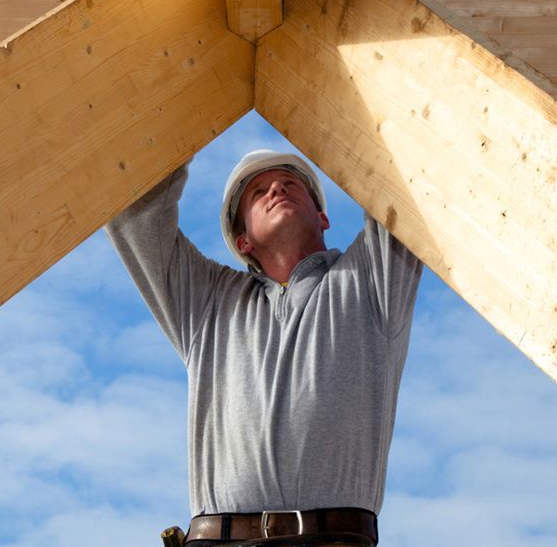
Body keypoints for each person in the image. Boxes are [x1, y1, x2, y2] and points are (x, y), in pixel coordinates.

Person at [105, 150, 423, 546]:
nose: (276, 188)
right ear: (243, 241)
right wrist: (195, 107)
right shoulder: (208, 302)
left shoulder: (371, 277)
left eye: (291, 185)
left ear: (323, 217)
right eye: (258, 192)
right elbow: (134, 211)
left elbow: (411, 177)